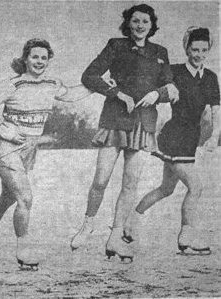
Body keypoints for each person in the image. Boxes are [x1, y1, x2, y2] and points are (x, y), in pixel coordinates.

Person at [0, 38, 99, 269]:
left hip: (29, 149)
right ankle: (23, 250)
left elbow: (70, 94)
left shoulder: (52, 83)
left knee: (9, 196)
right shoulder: (14, 84)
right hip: (5, 147)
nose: (39, 61)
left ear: (48, 60)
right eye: (34, 57)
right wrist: (4, 130)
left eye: (43, 57)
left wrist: (99, 85)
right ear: (25, 59)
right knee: (25, 198)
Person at [70, 4, 179, 262]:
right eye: (135, 21)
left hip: (144, 124)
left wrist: (158, 94)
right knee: (101, 179)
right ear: (128, 24)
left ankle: (115, 237)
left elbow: (171, 86)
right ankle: (88, 224)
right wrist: (117, 93)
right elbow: (89, 76)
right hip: (115, 119)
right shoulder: (116, 46)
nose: (140, 25)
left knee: (130, 184)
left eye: (145, 21)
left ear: (151, 25)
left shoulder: (160, 52)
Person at [127, 27, 220, 255]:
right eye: (194, 49)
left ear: (209, 50)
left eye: (203, 50)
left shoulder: (210, 77)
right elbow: (156, 90)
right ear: (186, 48)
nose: (198, 54)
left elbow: (216, 110)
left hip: (190, 139)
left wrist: (215, 136)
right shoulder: (175, 71)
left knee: (166, 189)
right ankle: (186, 237)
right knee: (195, 187)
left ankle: (128, 222)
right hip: (173, 136)